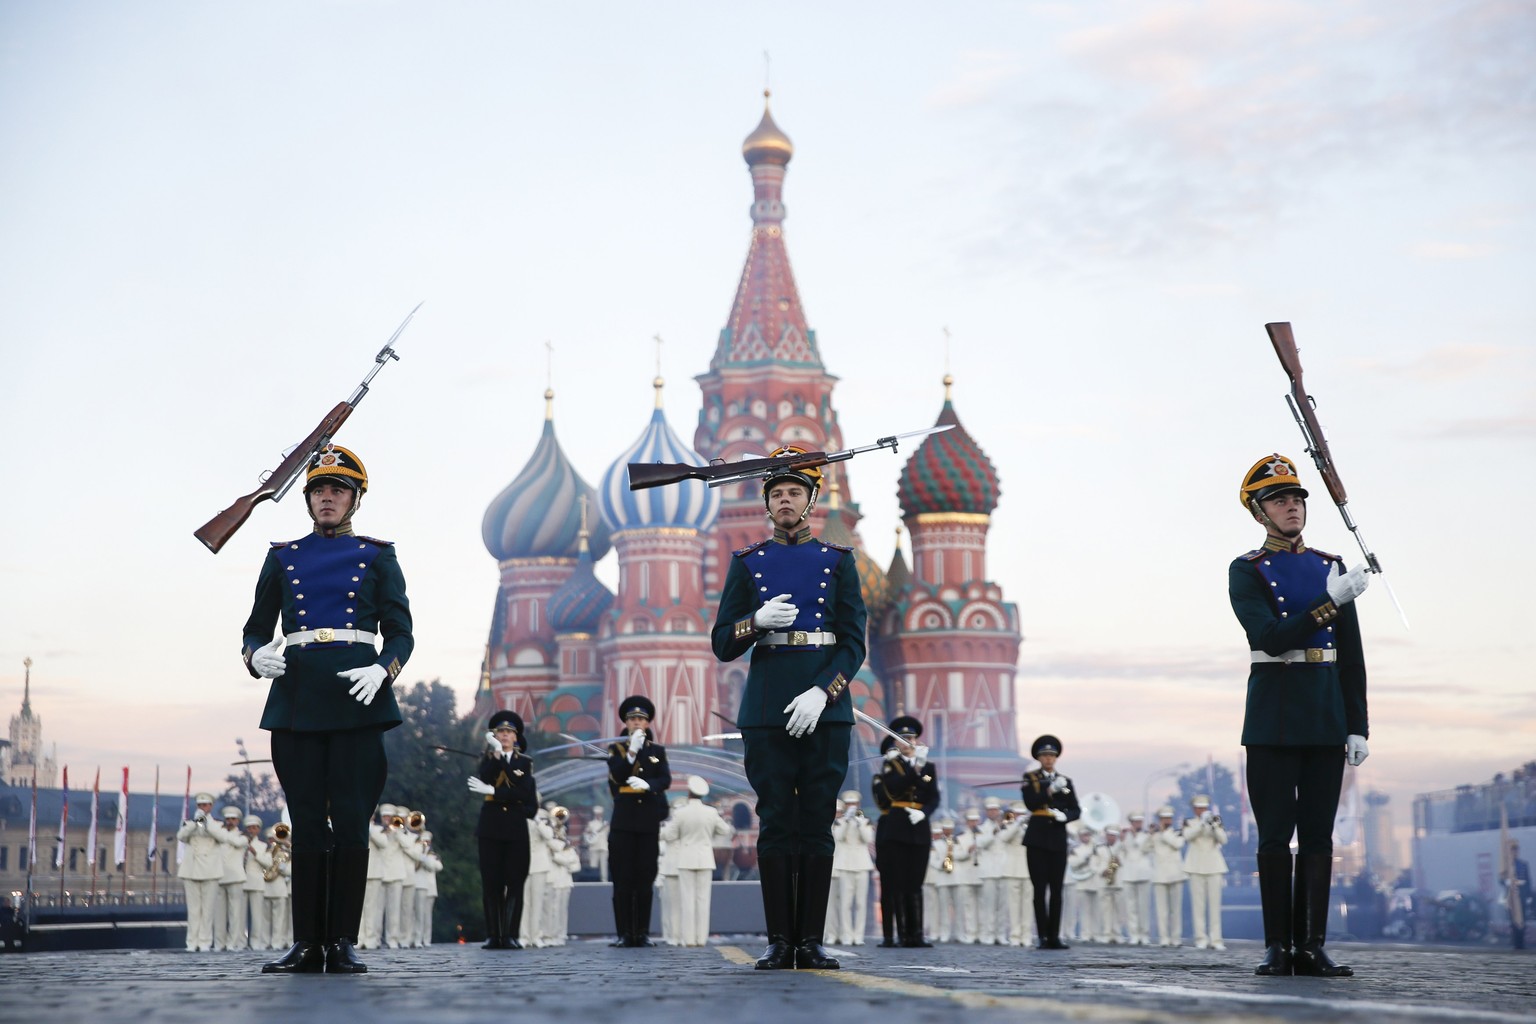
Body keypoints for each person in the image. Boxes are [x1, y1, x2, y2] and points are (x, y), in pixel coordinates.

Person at [241, 444, 414, 974]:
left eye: (338, 489)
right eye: (318, 490)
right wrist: (255, 658)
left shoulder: (378, 555)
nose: (327, 498)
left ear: (355, 498)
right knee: (308, 824)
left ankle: (342, 940)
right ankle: (308, 942)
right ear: (308, 499)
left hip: (357, 697)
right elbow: (254, 628)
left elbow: (402, 633)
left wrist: (383, 667)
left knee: (353, 824)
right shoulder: (282, 556)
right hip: (296, 700)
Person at [709, 448, 868, 971]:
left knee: (817, 822)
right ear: (767, 503)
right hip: (768, 707)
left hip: (824, 707)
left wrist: (826, 690)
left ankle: (811, 942)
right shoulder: (747, 563)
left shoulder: (837, 562)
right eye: (776, 493)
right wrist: (756, 620)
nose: (784, 500)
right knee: (776, 822)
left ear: (811, 500)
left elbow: (852, 642)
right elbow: (723, 643)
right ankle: (780, 940)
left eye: (794, 492)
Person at [1232, 454, 1370, 978]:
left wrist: (1357, 723)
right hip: (1273, 716)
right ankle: (1278, 947)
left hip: (1324, 714)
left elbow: (1351, 658)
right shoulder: (1246, 570)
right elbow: (1268, 638)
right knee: (1273, 836)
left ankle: (1311, 947)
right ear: (1258, 511)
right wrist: (1326, 603)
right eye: (1278, 500)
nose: (1291, 507)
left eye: (1296, 499)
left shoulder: (1330, 565)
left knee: (1318, 835)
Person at [468, 710, 538, 949]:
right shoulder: (487, 760)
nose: (505, 735)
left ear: (516, 737)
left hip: (515, 829)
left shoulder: (525, 763)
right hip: (491, 827)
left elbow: (522, 793)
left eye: (509, 732)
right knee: (491, 883)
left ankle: (511, 934)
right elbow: (485, 776)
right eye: (500, 732)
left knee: (515, 883)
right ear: (494, 735)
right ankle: (493, 934)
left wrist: (495, 792)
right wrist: (496, 754)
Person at [606, 695, 672, 947]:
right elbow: (618, 775)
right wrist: (632, 751)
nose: (636, 723)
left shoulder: (657, 751)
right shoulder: (617, 750)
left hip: (646, 822)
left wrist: (649, 784)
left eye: (641, 719)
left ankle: (642, 932)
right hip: (623, 822)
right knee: (622, 880)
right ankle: (624, 933)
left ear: (647, 723)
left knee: (645, 879)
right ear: (626, 722)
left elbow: (664, 779)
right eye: (632, 719)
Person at [871, 717, 939, 949]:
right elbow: (895, 788)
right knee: (897, 881)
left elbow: (931, 793)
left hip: (919, 827)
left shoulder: (928, 766)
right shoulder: (891, 764)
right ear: (895, 743)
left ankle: (916, 933)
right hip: (897, 827)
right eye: (903, 739)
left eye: (911, 738)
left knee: (915, 882)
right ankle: (899, 934)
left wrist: (925, 812)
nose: (908, 742)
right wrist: (915, 768)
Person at [1020, 735, 1082, 949]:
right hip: (1037, 838)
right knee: (1039, 889)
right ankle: (1043, 935)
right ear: (1039, 757)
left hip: (1057, 838)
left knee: (1056, 889)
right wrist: (1049, 791)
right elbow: (1031, 803)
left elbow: (1076, 809)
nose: (1049, 759)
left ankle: (1055, 935)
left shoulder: (1066, 781)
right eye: (1045, 755)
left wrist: (1066, 816)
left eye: (1052, 755)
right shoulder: (1031, 778)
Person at [661, 776, 734, 947]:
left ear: (689, 793)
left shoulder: (681, 813)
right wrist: (710, 836)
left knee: (687, 900)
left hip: (685, 859)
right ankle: (701, 938)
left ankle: (689, 939)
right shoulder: (711, 812)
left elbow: (670, 835)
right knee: (703, 901)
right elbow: (724, 830)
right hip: (705, 859)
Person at [176, 793, 231, 952]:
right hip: (191, 870)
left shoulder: (217, 824)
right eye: (200, 805)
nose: (203, 808)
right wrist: (195, 823)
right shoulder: (189, 823)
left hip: (210, 870)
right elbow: (181, 836)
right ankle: (192, 943)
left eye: (206, 805)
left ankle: (205, 942)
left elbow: (223, 838)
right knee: (193, 910)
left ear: (211, 806)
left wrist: (207, 824)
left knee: (207, 910)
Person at [1183, 796, 1229, 950]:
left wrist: (1214, 826)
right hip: (1195, 866)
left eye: (1204, 808)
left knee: (1215, 905)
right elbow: (1188, 836)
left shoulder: (1216, 821)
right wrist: (1202, 824)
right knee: (1198, 905)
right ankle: (1200, 938)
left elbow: (1223, 840)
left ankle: (1216, 939)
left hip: (1214, 866)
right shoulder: (1189, 822)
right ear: (1194, 809)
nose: (1201, 810)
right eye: (1199, 808)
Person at [831, 789, 875, 945]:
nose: (851, 806)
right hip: (844, 865)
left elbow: (867, 838)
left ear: (858, 805)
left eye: (854, 804)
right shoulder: (838, 823)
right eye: (848, 804)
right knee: (846, 903)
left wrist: (858, 822)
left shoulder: (865, 822)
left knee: (861, 903)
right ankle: (847, 935)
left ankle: (859, 935)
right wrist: (847, 821)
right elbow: (839, 837)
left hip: (862, 864)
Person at [1149, 805, 1187, 946]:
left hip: (1176, 874)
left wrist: (1164, 832)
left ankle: (1176, 937)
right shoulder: (1155, 835)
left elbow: (1177, 844)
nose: (1166, 820)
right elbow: (1144, 848)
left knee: (1175, 910)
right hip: (1160, 875)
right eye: (1164, 818)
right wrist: (1151, 834)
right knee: (1161, 910)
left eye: (1168, 818)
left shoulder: (1176, 833)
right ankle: (1163, 937)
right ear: (1160, 819)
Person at [1119, 811, 1154, 946]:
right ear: (1131, 822)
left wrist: (1135, 836)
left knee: (1143, 907)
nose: (1138, 824)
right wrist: (1123, 839)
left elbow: (1145, 849)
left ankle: (1144, 934)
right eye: (1136, 822)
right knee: (1131, 907)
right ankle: (1133, 934)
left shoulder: (1147, 835)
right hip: (1129, 874)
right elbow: (1119, 853)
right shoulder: (1125, 836)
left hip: (1143, 873)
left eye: (1140, 821)